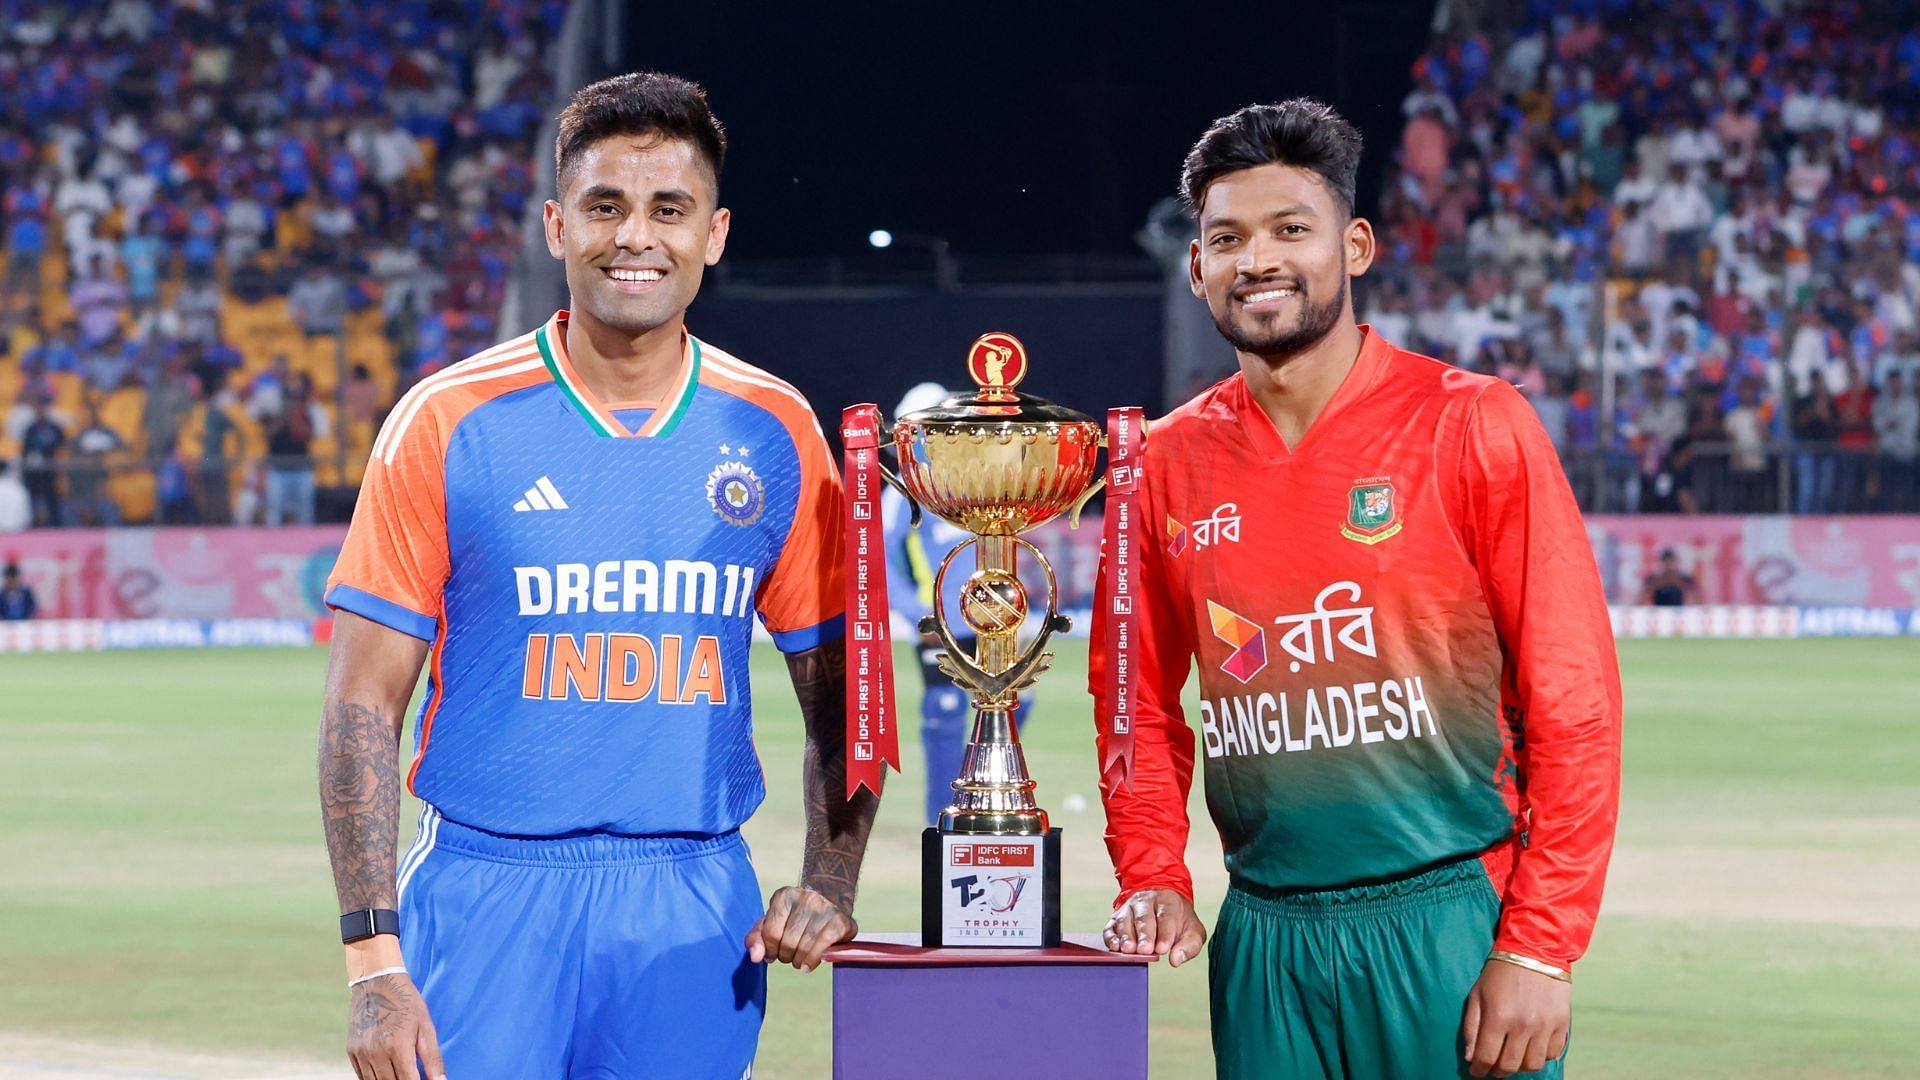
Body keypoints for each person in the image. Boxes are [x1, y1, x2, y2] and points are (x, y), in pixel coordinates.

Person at [318, 72, 874, 1080]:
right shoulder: (445, 421)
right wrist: (371, 959)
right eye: (604, 207)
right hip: (485, 891)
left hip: (693, 901)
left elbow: (841, 698)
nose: (635, 238)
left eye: (671, 209)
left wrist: (829, 884)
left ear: (715, 233)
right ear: (554, 224)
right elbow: (363, 701)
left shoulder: (778, 431)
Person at [1090, 99, 1621, 1080]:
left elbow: (1575, 701)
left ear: (1356, 244)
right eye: (1228, 238)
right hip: (1264, 938)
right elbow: (1135, 702)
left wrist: (1542, 942)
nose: (1259, 259)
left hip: (1448, 921)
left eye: (1292, 229)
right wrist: (1153, 871)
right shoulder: (1159, 465)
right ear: (1198, 265)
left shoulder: (1473, 426)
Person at [881, 381, 1033, 825]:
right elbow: (879, 564)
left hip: (991, 628)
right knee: (944, 717)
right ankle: (943, 821)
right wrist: (918, 616)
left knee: (1014, 706)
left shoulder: (976, 484)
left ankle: (986, 796)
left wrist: (1012, 612)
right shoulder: (905, 494)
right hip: (942, 628)